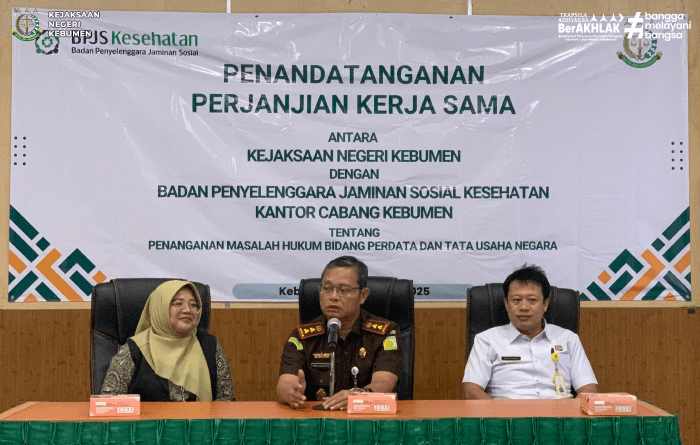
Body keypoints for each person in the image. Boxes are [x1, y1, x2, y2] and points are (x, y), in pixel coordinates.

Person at [277, 256, 403, 410]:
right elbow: (285, 382)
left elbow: (384, 383)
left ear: (363, 295)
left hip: (365, 417)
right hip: (315, 417)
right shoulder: (302, 336)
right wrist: (291, 392)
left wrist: (359, 396)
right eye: (327, 288)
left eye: (344, 290)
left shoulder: (385, 333)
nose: (333, 297)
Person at [462, 264, 598, 400]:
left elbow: (588, 390)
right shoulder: (487, 340)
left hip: (560, 411)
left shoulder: (568, 339)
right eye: (516, 300)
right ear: (506, 304)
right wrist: (499, 413)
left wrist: (571, 412)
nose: (524, 307)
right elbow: (471, 391)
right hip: (507, 411)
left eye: (532, 300)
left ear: (545, 304)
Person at [101, 280, 235, 401]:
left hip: (201, 420)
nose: (188, 310)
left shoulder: (209, 345)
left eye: (194, 305)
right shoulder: (134, 350)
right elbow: (110, 403)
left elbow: (226, 399)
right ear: (160, 308)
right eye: (178, 303)